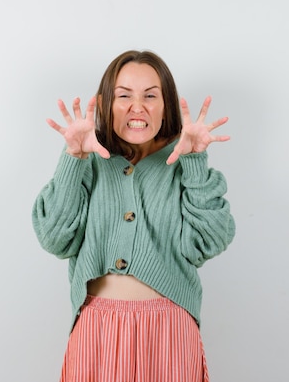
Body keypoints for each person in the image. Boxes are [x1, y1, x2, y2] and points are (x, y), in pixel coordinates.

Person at [32, 50, 235, 382]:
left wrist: (196, 162)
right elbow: (56, 239)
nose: (137, 107)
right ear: (108, 103)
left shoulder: (183, 159)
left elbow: (210, 242)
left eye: (150, 96)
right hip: (97, 330)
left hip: (170, 330)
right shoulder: (88, 158)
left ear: (166, 105)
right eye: (124, 95)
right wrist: (73, 158)